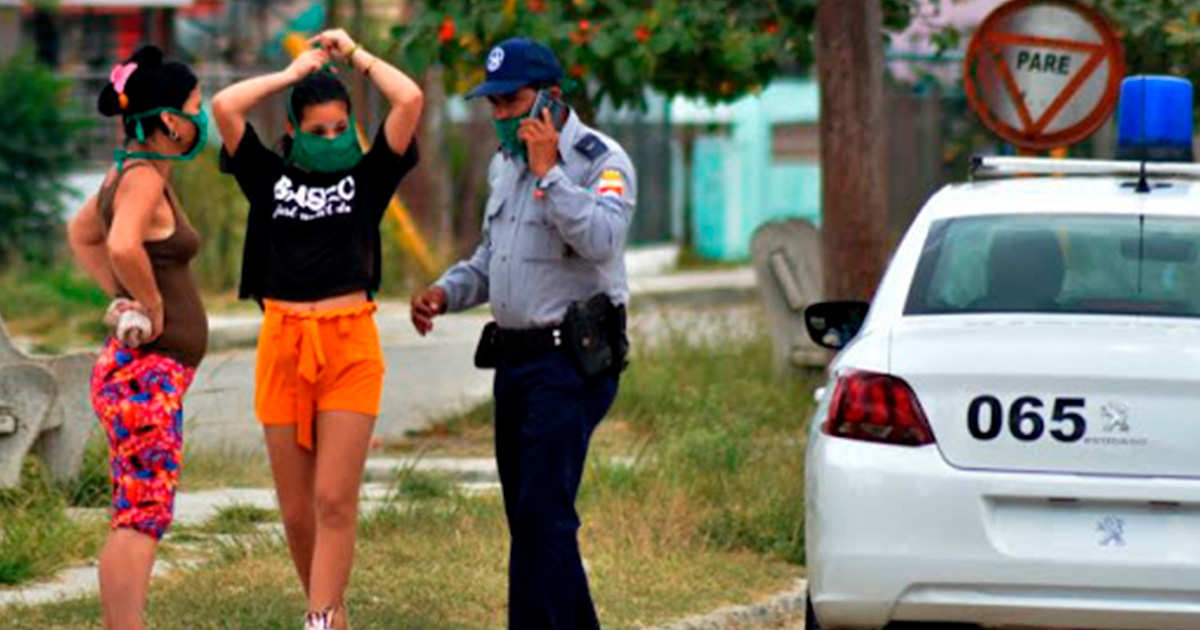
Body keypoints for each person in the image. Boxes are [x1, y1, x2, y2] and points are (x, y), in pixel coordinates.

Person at [410, 38, 637, 630]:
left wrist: (551, 175)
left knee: (544, 511)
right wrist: (446, 291)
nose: (502, 117)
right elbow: (493, 258)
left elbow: (605, 240)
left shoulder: (600, 161)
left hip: (571, 363)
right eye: (494, 105)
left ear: (550, 99)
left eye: (512, 102)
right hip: (515, 364)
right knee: (526, 516)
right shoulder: (503, 167)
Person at [211, 28, 422, 630]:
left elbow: (408, 101)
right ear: (294, 132)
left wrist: (356, 56)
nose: (331, 140)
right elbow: (224, 108)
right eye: (318, 130)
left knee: (334, 499)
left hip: (350, 345)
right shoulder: (267, 176)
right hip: (282, 344)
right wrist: (291, 75)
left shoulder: (369, 177)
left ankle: (319, 617)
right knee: (298, 511)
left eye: (340, 130)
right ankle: (331, 611)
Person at [66, 45, 209, 630]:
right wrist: (148, 305)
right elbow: (120, 243)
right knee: (141, 515)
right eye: (197, 108)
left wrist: (118, 298)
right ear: (172, 122)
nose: (202, 119)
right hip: (146, 375)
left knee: (135, 510)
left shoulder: (126, 173)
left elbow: (83, 235)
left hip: (141, 373)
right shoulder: (144, 177)